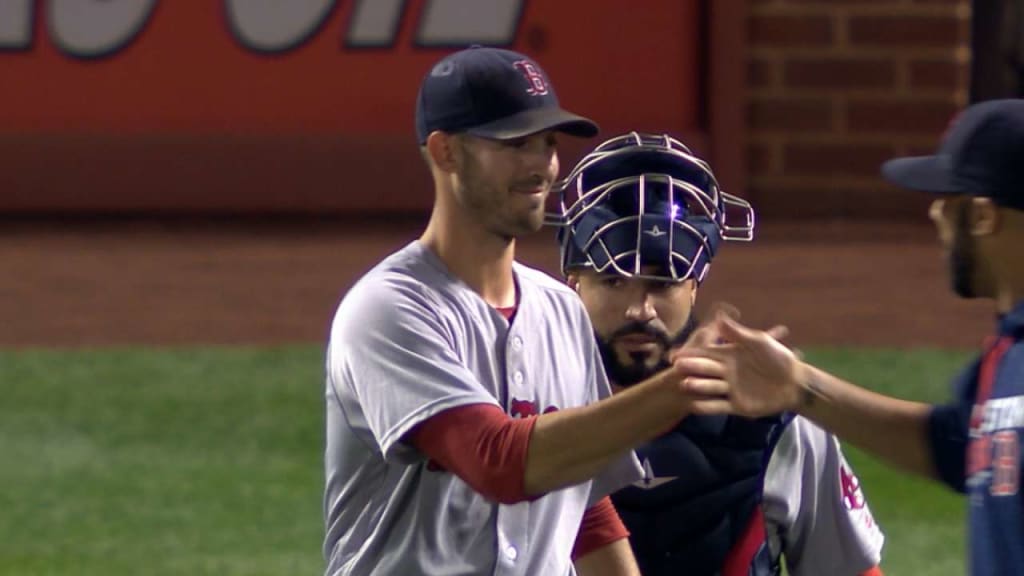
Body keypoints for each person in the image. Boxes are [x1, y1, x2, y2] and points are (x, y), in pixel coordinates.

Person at [323, 46, 738, 576]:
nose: (541, 166)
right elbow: (497, 462)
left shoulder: (562, 309)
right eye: (515, 144)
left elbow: (586, 507)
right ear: (445, 152)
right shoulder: (389, 310)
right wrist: (683, 386)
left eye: (547, 143)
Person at [675, 98, 1024, 576]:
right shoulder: (1007, 352)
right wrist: (799, 388)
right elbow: (953, 445)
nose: (936, 216)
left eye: (948, 200)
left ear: (984, 216)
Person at [554, 131, 886, 575]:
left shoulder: (774, 420)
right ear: (574, 281)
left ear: (696, 284)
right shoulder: (530, 406)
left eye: (663, 282)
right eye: (614, 282)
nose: (640, 310)